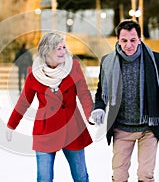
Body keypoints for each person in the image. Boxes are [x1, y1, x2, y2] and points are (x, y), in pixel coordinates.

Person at [91, 19, 159, 182]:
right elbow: (101, 91)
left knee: (145, 175)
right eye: (124, 40)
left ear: (140, 39)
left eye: (133, 40)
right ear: (118, 40)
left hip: (149, 127)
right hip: (121, 128)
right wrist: (99, 107)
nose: (128, 45)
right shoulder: (108, 62)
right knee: (119, 175)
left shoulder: (154, 60)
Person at [6, 32, 94, 182]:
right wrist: (11, 125)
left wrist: (90, 113)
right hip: (46, 130)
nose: (63, 51)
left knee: (81, 177)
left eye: (64, 47)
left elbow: (84, 94)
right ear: (46, 51)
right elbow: (23, 102)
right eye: (58, 48)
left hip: (72, 128)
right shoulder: (34, 74)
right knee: (44, 178)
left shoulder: (74, 67)